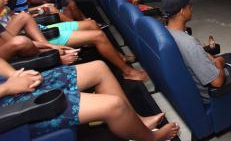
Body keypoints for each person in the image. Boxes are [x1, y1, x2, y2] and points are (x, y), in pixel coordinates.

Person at [4, 0, 147, 80]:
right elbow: (16, 42)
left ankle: (119, 56)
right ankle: (127, 71)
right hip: (44, 37)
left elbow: (21, 17)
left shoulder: (6, 11)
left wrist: (38, 10)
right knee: (98, 36)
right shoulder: (10, 7)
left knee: (91, 24)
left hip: (41, 31)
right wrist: (49, 47)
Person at [0, 58, 179, 140]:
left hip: (8, 85)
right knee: (114, 105)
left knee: (99, 68)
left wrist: (15, 75)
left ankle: (137, 120)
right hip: (7, 111)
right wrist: (8, 87)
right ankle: (150, 138)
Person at [159, 0, 231, 110]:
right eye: (189, 6)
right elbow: (217, 83)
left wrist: (205, 55)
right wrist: (218, 62)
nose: (192, 8)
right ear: (182, 11)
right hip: (209, 91)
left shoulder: (165, 31)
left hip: (196, 72)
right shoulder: (189, 44)